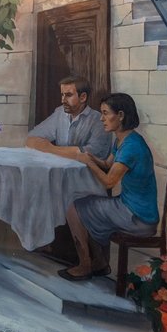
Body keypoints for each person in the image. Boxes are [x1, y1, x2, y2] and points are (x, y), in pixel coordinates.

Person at [58, 92, 158, 281]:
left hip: (138, 218)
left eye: (105, 113)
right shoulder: (123, 139)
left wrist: (88, 163)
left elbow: (109, 181)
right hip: (132, 208)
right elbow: (107, 164)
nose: (101, 118)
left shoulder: (131, 147)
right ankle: (100, 262)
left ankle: (85, 265)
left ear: (120, 115)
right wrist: (90, 157)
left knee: (73, 207)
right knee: (86, 204)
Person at [25, 75, 111, 160]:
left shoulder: (98, 119)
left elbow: (95, 153)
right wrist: (71, 152)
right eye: (62, 95)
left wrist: (50, 149)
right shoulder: (60, 113)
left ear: (83, 97)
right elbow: (31, 138)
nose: (63, 100)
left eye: (68, 95)